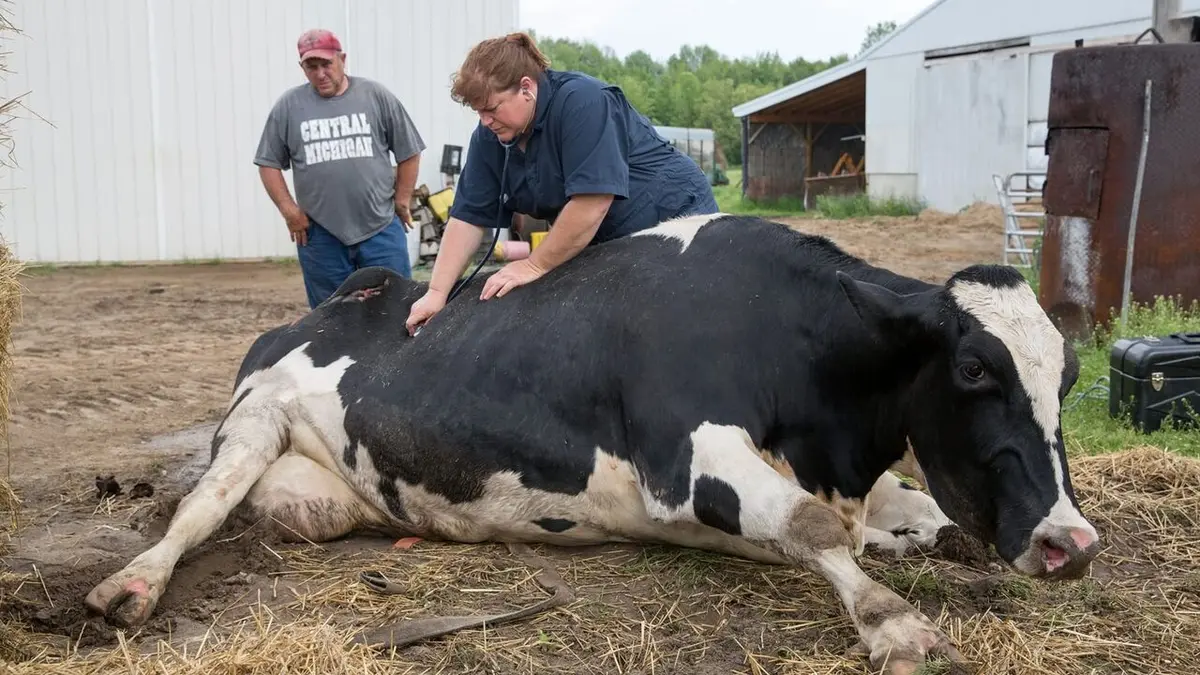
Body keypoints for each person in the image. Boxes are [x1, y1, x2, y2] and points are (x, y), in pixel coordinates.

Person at [404, 32, 718, 335]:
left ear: (525, 88)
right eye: (478, 112)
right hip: (603, 243)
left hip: (674, 219)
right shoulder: (490, 136)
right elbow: (468, 217)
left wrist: (531, 265)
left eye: (491, 108)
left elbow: (592, 202)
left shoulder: (583, 102)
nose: (485, 120)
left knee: (676, 328)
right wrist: (436, 292)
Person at [255, 28, 426, 309]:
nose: (320, 73)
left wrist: (402, 199)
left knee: (398, 310)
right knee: (329, 317)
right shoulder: (289, 107)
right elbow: (268, 163)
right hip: (320, 236)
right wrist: (290, 212)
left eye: (326, 64)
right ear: (302, 67)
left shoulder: (375, 96)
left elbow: (409, 151)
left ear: (342, 59)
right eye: (311, 67)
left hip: (379, 228)